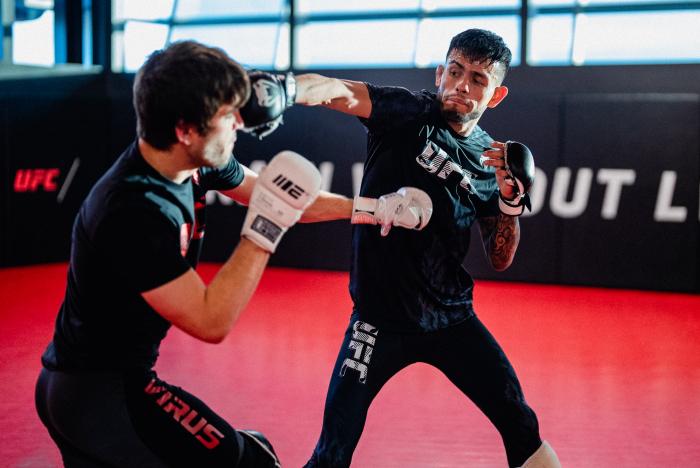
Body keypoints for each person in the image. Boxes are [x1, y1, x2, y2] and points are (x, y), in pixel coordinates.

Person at [34, 40, 432, 468]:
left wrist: (370, 208)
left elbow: (275, 194)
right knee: (251, 461)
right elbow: (211, 319)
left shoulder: (193, 161)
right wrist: (265, 227)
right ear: (185, 130)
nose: (238, 126)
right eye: (227, 117)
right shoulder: (133, 211)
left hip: (97, 387)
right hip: (99, 400)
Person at [294, 29, 561, 467]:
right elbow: (340, 92)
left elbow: (500, 257)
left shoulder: (489, 160)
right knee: (332, 451)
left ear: (496, 95)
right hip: (376, 323)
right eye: (455, 72)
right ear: (440, 73)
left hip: (451, 321)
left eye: (478, 78)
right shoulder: (407, 112)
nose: (462, 85)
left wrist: (511, 201)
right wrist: (288, 88)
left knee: (521, 427)